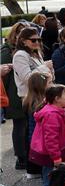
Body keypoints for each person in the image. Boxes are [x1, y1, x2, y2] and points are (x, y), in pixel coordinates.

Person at [13, 27, 54, 176]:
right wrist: (45, 67)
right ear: (23, 41)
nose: (37, 42)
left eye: (39, 39)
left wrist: (49, 71)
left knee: (41, 132)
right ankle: (33, 168)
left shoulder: (36, 53)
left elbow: (46, 75)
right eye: (33, 40)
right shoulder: (20, 55)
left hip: (43, 96)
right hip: (30, 98)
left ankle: (40, 165)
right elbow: (28, 77)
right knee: (33, 133)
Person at [29, 84, 65, 186]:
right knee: (51, 183)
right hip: (52, 157)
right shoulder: (52, 114)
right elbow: (51, 139)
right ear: (57, 99)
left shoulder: (57, 111)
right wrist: (56, 158)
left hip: (56, 154)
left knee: (57, 181)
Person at [2, 23, 32, 170]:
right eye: (20, 32)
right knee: (20, 126)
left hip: (22, 92)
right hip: (13, 94)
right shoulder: (7, 51)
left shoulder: (23, 51)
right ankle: (21, 158)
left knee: (25, 125)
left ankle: (25, 155)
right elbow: (4, 76)